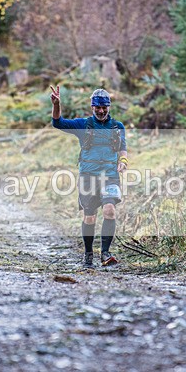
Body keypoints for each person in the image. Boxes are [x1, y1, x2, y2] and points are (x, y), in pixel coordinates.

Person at [50, 85, 128, 268]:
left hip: (110, 176)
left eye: (104, 108)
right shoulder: (82, 125)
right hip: (88, 177)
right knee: (90, 217)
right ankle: (88, 254)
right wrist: (56, 104)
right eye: (97, 108)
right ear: (92, 107)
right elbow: (58, 123)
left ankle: (106, 253)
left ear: (109, 107)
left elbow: (123, 147)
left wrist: (123, 160)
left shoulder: (118, 126)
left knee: (110, 210)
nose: (101, 111)